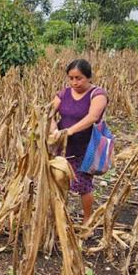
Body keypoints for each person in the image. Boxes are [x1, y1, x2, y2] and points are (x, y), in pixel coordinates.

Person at [49, 59, 108, 220]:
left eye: (79, 78)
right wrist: (54, 129)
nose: (74, 82)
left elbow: (92, 117)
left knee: (83, 185)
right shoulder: (64, 94)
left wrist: (69, 131)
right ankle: (59, 217)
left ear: (89, 77)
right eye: (71, 78)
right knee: (59, 179)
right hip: (63, 146)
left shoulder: (98, 94)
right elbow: (49, 113)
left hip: (86, 147)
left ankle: (87, 220)